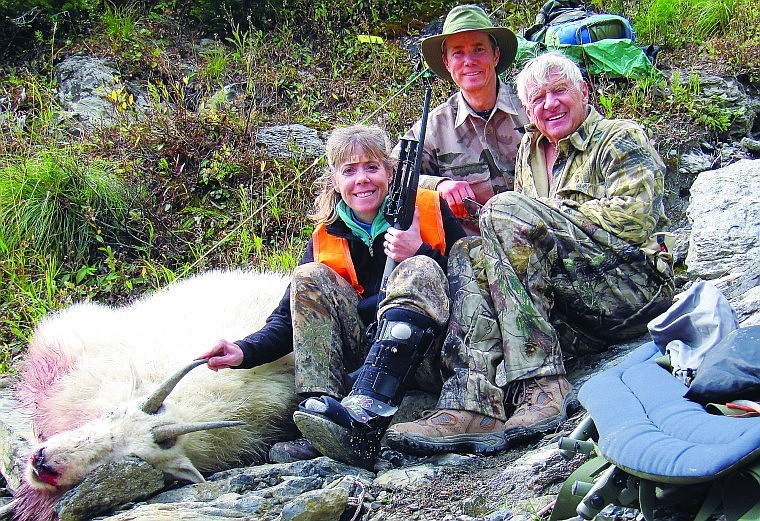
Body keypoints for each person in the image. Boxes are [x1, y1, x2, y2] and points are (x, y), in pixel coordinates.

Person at [385, 51, 676, 456]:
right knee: (468, 251)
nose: (549, 104)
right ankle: (471, 404)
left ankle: (542, 384)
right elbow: (522, 251)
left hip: (629, 289)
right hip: (572, 307)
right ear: (527, 109)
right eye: (538, 99)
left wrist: (535, 217)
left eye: (560, 92)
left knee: (504, 210)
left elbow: (634, 221)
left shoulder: (619, 138)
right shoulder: (529, 151)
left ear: (584, 92)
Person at [197, 124, 466, 466]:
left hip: (429, 356)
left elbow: (472, 286)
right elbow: (287, 319)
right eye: (349, 171)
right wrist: (243, 351)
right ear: (336, 182)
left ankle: (367, 417)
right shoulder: (324, 236)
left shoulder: (429, 208)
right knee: (308, 277)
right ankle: (322, 416)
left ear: (390, 172)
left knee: (419, 268)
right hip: (362, 359)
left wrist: (423, 251)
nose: (362, 179)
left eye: (372, 167)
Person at [400, 4, 529, 233]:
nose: (469, 61)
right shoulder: (434, 127)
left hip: (538, 238)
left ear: (495, 55)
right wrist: (438, 185)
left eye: (478, 49)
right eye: (458, 52)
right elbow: (394, 175)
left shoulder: (531, 107)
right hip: (473, 252)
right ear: (447, 63)